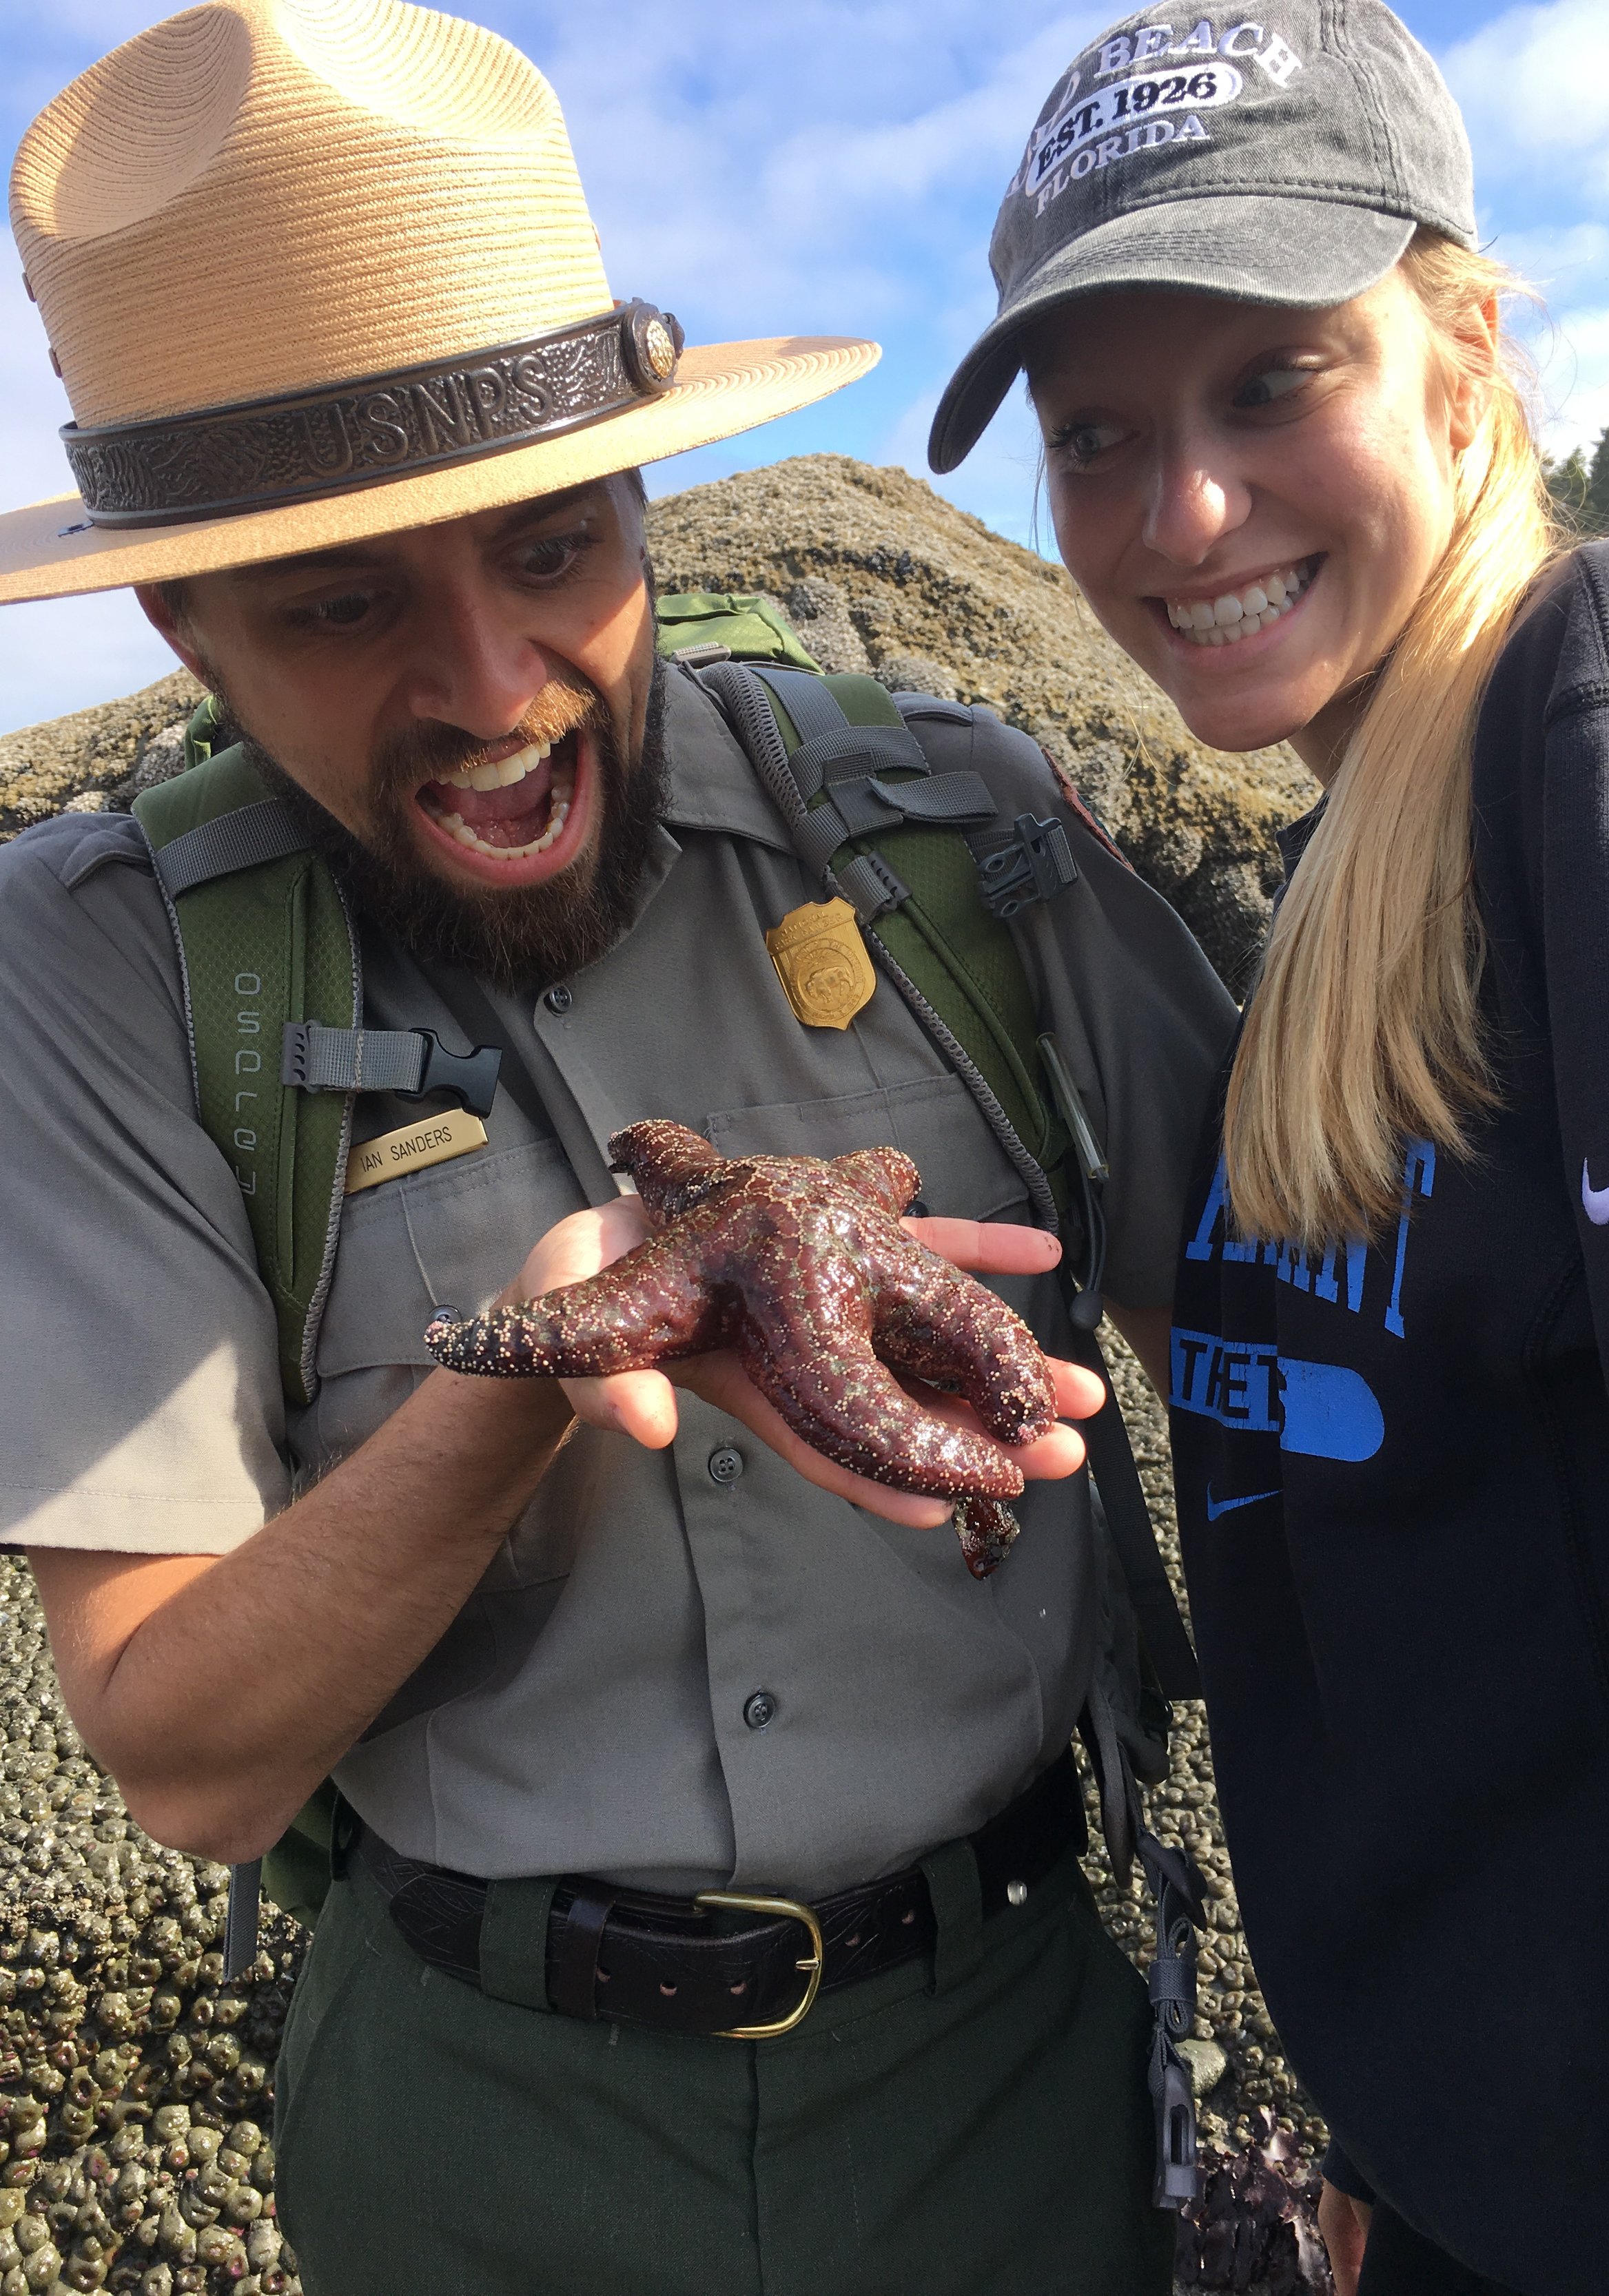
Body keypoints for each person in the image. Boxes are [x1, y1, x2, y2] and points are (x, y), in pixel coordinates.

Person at [0, 3, 1237, 2292]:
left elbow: (1283, 1380)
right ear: (183, 616)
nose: (491, 685)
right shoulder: (95, 980)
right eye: (345, 602)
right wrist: (527, 1382)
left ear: (648, 500)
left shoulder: (953, 825)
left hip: (1005, 2053)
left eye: (557, 545)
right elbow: (184, 1759)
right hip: (474, 2123)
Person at [930, 4, 1609, 2294]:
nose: (1178, 513)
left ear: (1463, 353)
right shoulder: (1330, 907)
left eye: (1274, 381)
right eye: (1097, 436)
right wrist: (1390, 2140)